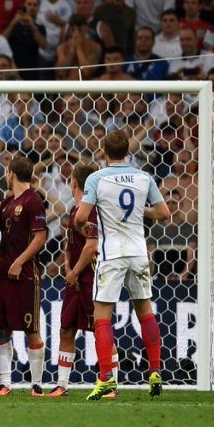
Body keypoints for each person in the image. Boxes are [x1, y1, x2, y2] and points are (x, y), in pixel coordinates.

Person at [75, 130, 172, 400]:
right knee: (145, 312)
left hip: (112, 253)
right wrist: (143, 210)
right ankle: (155, 371)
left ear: (104, 152)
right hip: (138, 253)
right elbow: (164, 213)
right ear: (128, 152)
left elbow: (80, 217)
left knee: (102, 317)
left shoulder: (96, 178)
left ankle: (106, 378)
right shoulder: (144, 177)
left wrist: (84, 227)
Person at [48, 162, 117, 398]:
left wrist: (74, 272)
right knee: (66, 329)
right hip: (75, 281)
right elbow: (70, 244)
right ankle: (62, 384)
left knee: (100, 329)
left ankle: (111, 384)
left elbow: (91, 247)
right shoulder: (74, 211)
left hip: (92, 279)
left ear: (74, 182)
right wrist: (68, 266)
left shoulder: (92, 211)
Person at [0, 156, 48, 397]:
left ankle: (36, 384)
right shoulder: (7, 201)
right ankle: (5, 383)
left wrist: (20, 262)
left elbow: (40, 237)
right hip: (2, 273)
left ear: (11, 173)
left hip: (26, 274)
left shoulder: (33, 200)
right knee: (2, 328)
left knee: (31, 329)